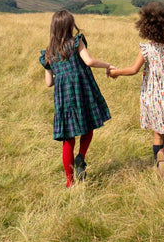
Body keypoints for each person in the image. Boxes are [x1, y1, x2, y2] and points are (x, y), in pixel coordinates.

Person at [110, 2, 164, 180]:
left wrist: (116, 72)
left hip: (153, 96)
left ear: (147, 29)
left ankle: (159, 167)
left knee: (158, 132)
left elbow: (134, 69)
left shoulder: (147, 49)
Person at [39, 10, 114, 188]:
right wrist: (108, 65)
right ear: (69, 26)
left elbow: (48, 83)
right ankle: (81, 156)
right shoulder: (76, 42)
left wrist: (59, 74)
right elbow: (88, 61)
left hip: (63, 97)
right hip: (82, 89)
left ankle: (69, 182)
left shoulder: (48, 54)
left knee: (68, 139)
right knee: (88, 126)